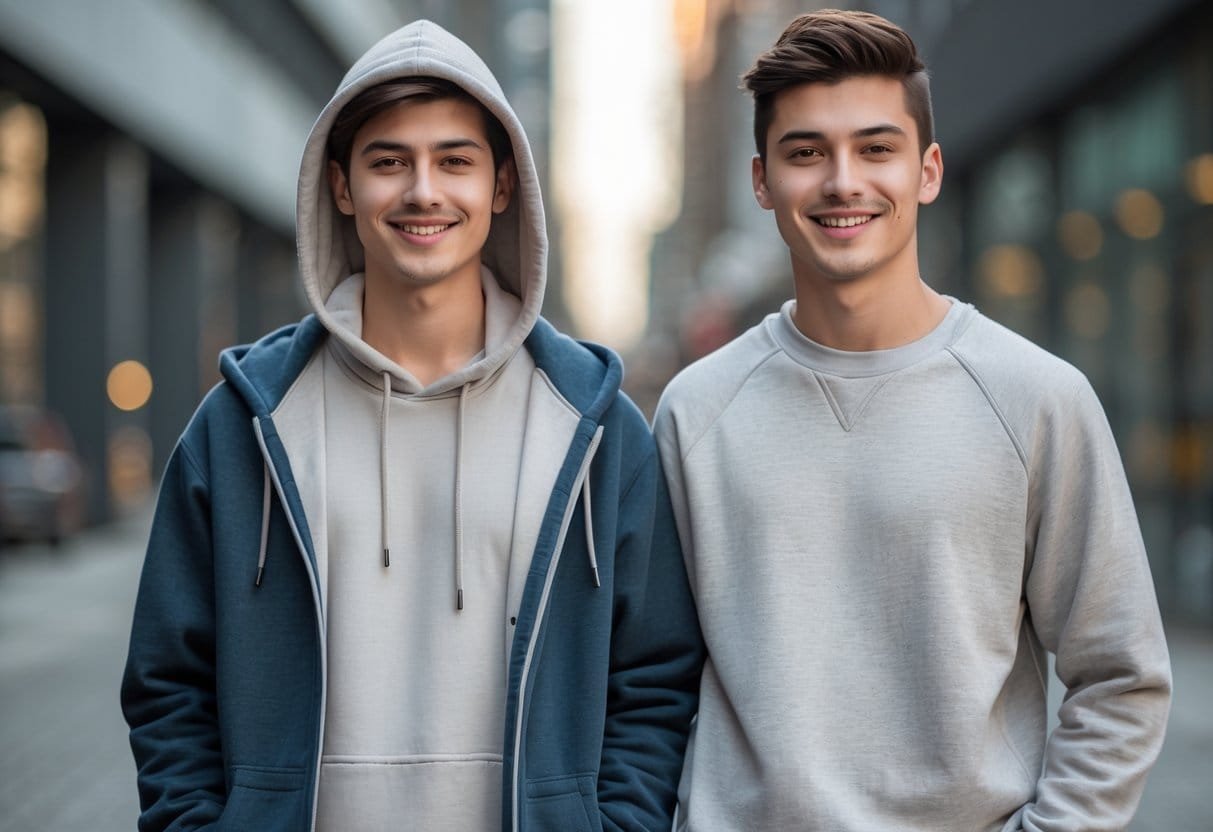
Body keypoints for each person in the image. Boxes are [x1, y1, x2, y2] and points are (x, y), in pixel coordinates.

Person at [121, 19, 703, 832]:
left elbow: (655, 677)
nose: (422, 191)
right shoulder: (247, 420)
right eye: (388, 161)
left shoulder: (596, 428)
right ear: (340, 186)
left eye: (453, 161)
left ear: (501, 186)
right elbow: (166, 678)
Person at [654, 9, 1171, 831]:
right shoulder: (695, 409)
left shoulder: (1038, 397)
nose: (842, 181)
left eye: (875, 148)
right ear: (761, 182)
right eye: (804, 153)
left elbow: (1120, 675)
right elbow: (653, 681)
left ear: (927, 170)